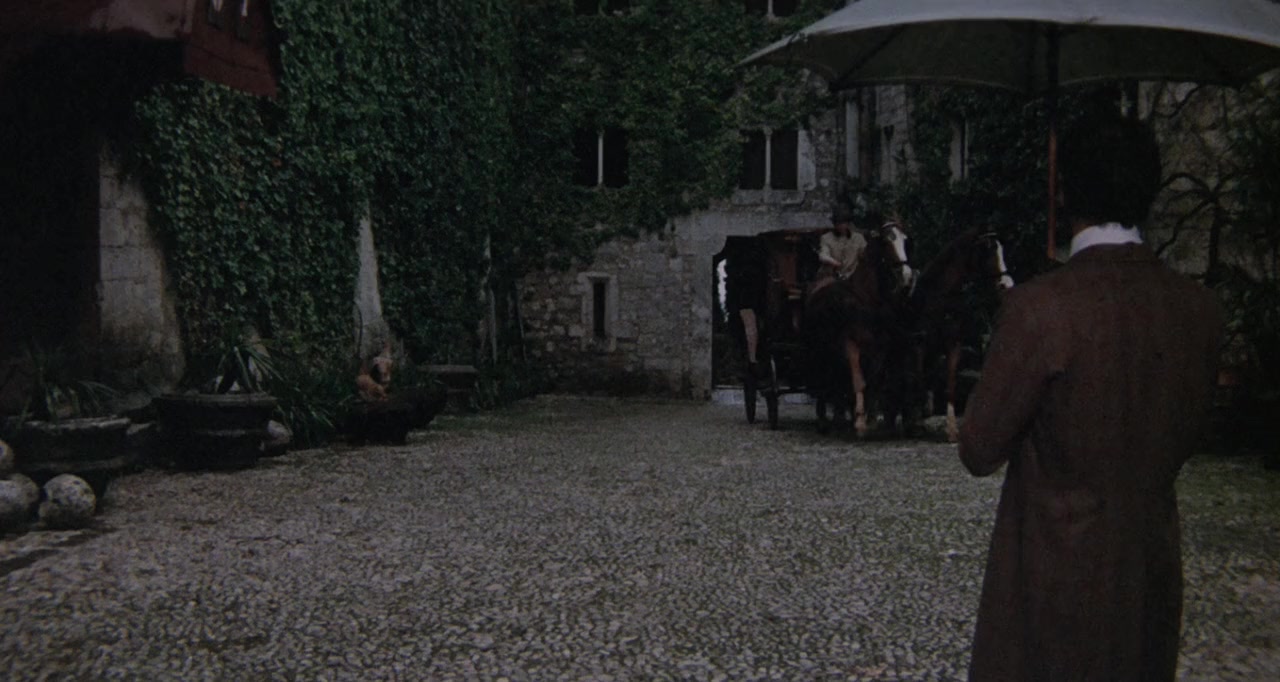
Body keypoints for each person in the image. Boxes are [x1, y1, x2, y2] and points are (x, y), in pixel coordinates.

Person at [958, 113, 1223, 681]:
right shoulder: (1198, 310)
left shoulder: (1040, 309)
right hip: (1147, 581)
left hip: (1051, 585)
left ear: (1064, 189)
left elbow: (978, 447)